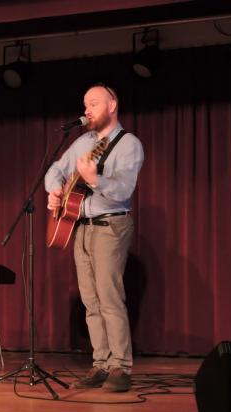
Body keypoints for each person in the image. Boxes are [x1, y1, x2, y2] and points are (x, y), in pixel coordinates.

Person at [45, 83, 144, 392]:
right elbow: (55, 170)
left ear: (112, 105)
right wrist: (55, 189)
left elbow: (123, 190)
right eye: (85, 104)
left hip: (111, 225)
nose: (87, 110)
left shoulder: (128, 144)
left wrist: (94, 179)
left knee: (109, 296)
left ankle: (120, 366)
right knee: (90, 299)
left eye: (94, 103)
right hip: (81, 226)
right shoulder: (83, 142)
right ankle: (100, 363)